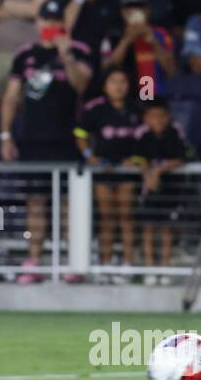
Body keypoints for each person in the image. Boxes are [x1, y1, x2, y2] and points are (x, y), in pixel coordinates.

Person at [0, 0, 92, 283]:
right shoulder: (25, 54)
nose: (51, 25)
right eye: (46, 20)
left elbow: (82, 85)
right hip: (32, 139)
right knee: (36, 204)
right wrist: (6, 134)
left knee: (68, 205)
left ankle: (71, 264)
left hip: (66, 138)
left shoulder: (79, 51)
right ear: (38, 22)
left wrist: (67, 56)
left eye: (56, 20)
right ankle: (35, 262)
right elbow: (12, 97)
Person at [77, 67, 141, 278]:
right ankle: (105, 264)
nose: (118, 86)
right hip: (104, 170)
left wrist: (137, 160)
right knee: (107, 217)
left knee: (126, 216)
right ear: (105, 86)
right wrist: (89, 155)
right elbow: (79, 134)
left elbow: (146, 139)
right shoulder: (95, 108)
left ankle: (128, 264)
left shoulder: (136, 107)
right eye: (113, 82)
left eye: (122, 81)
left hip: (127, 172)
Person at [132, 98, 187, 285]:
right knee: (147, 229)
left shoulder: (174, 134)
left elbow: (179, 159)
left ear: (168, 117)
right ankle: (149, 269)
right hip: (149, 192)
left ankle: (165, 269)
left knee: (166, 230)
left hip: (170, 191)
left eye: (161, 116)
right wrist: (148, 174)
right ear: (146, 118)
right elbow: (138, 160)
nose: (158, 120)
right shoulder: (143, 137)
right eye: (153, 116)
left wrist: (158, 171)